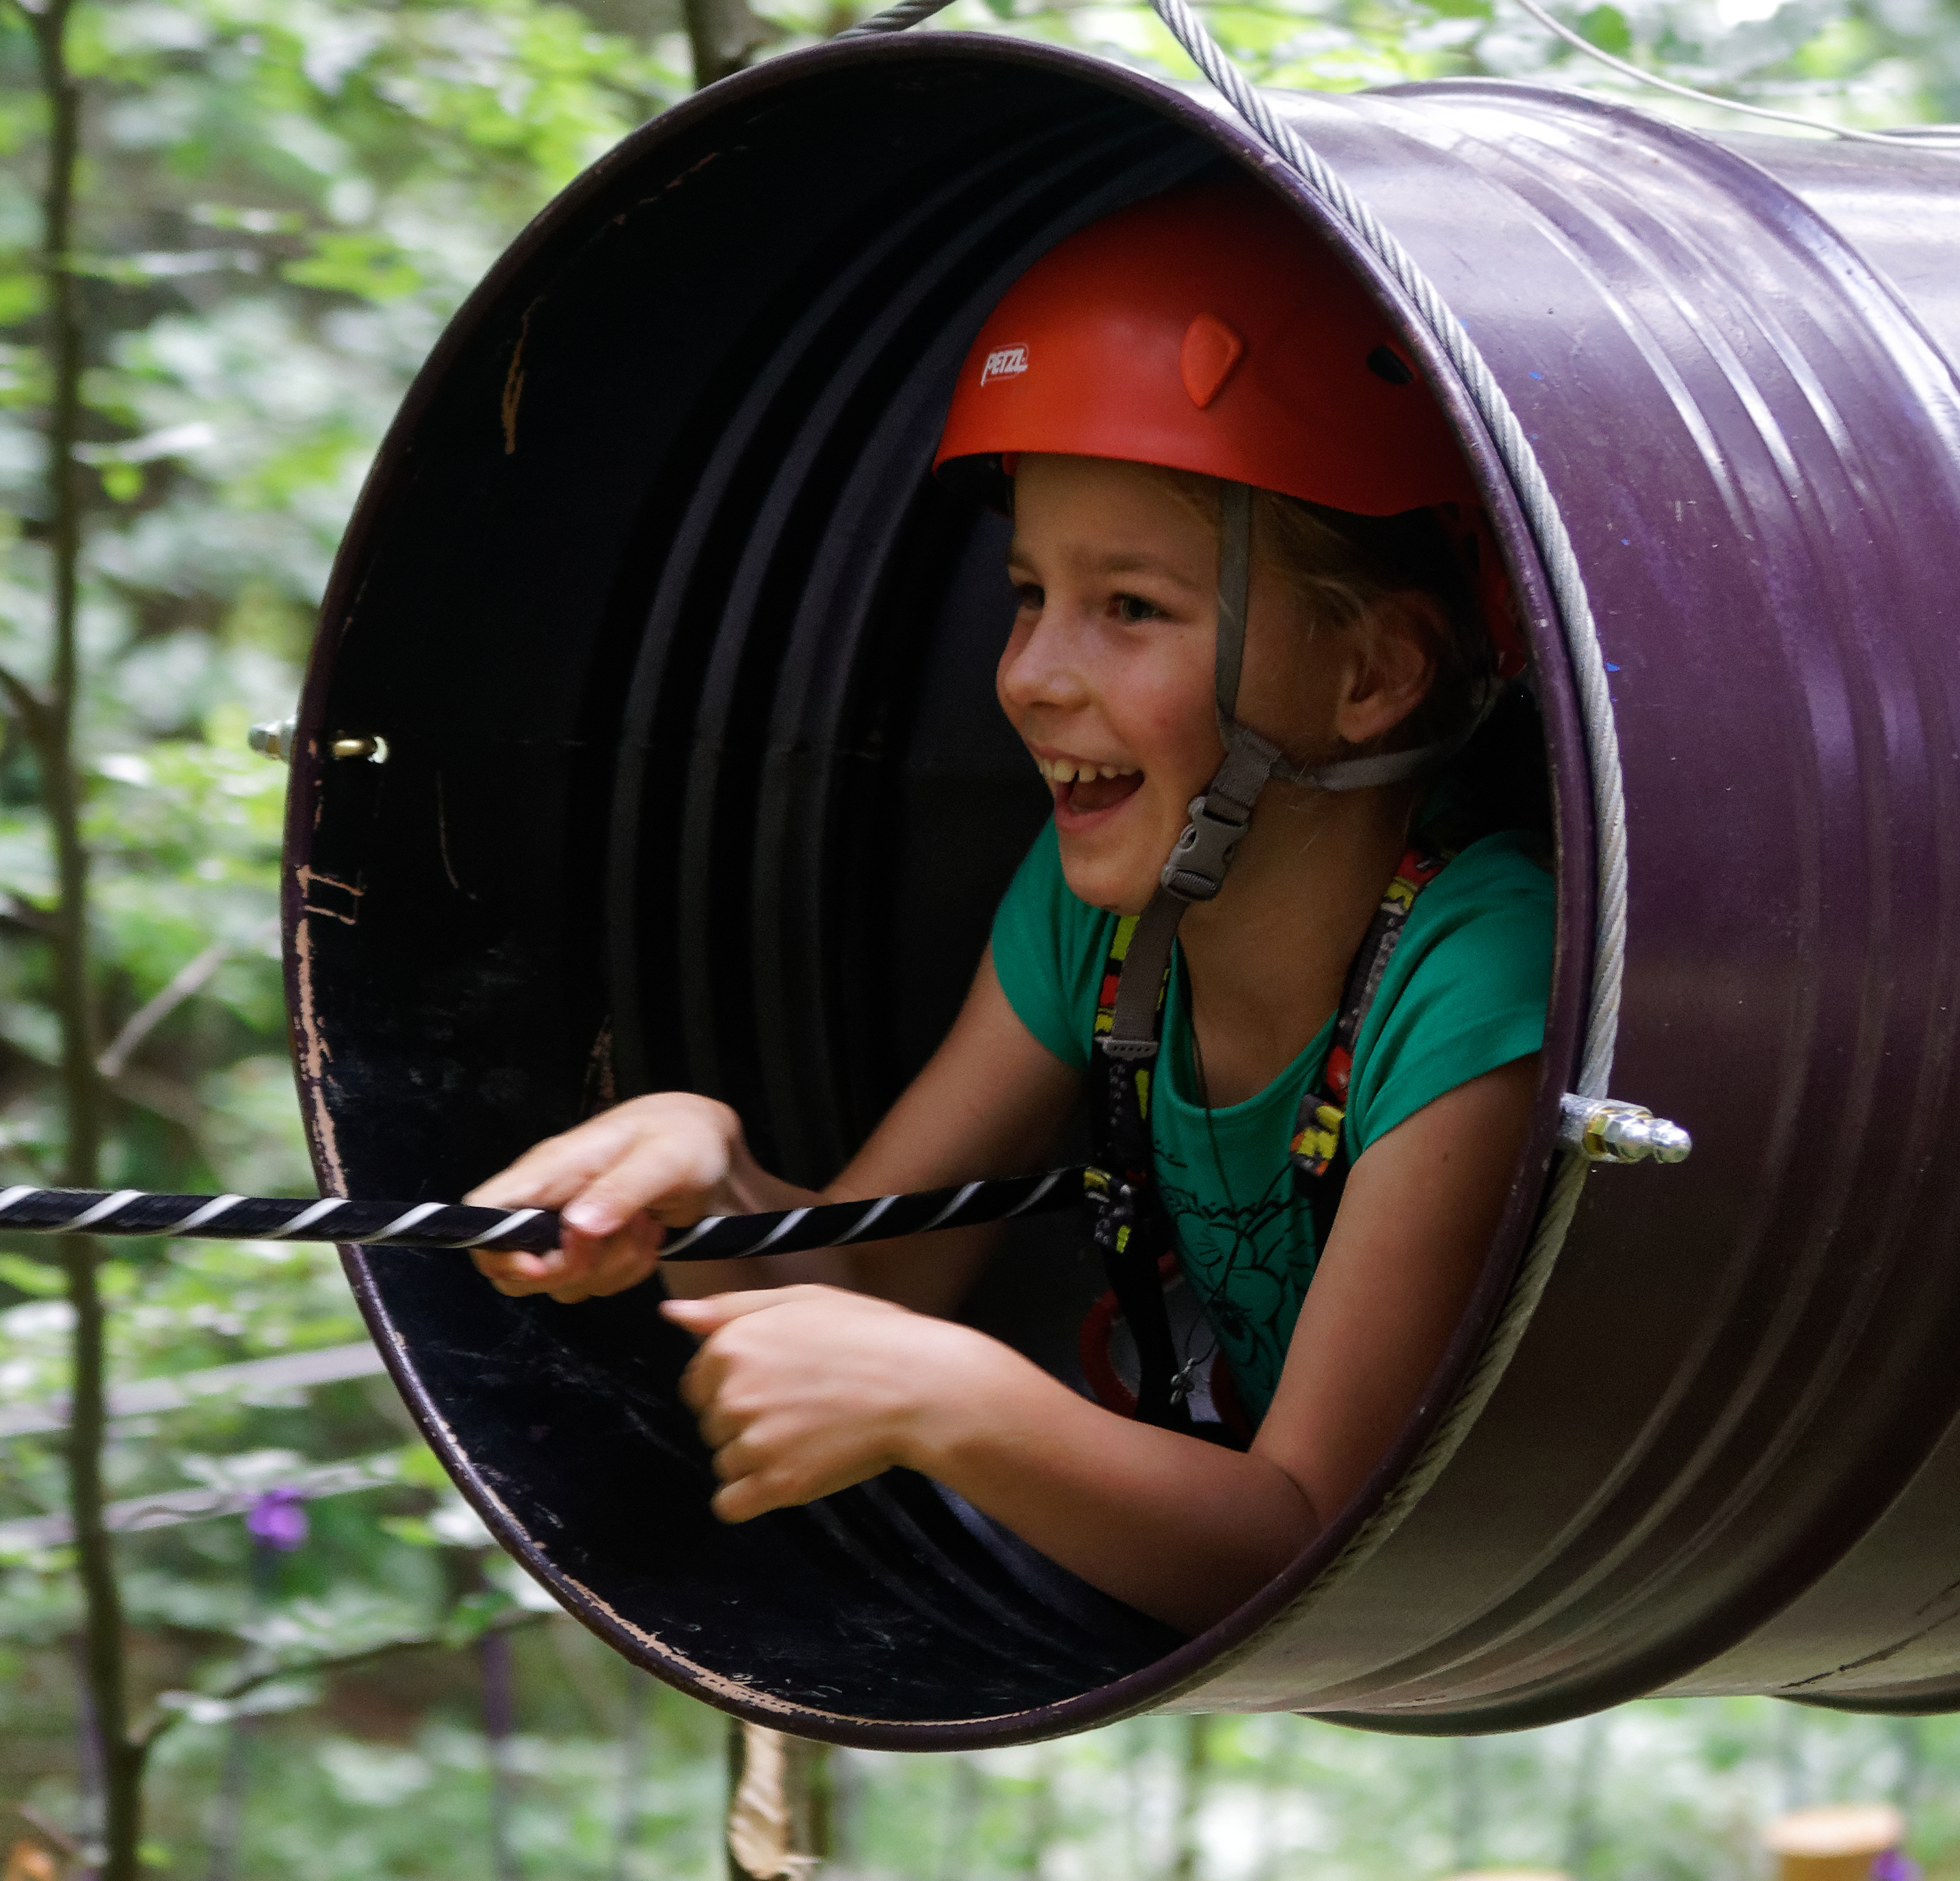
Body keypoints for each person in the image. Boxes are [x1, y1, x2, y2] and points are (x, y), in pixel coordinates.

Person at [460, 178, 1555, 1640]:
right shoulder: (1097, 918)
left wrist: (962, 1399)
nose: (1029, 673)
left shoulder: (1476, 976)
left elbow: (1311, 1540)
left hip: (1495, 1584)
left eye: (1131, 609)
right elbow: (874, 1278)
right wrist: (713, 1180)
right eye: (1029, 592)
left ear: (1371, 675)